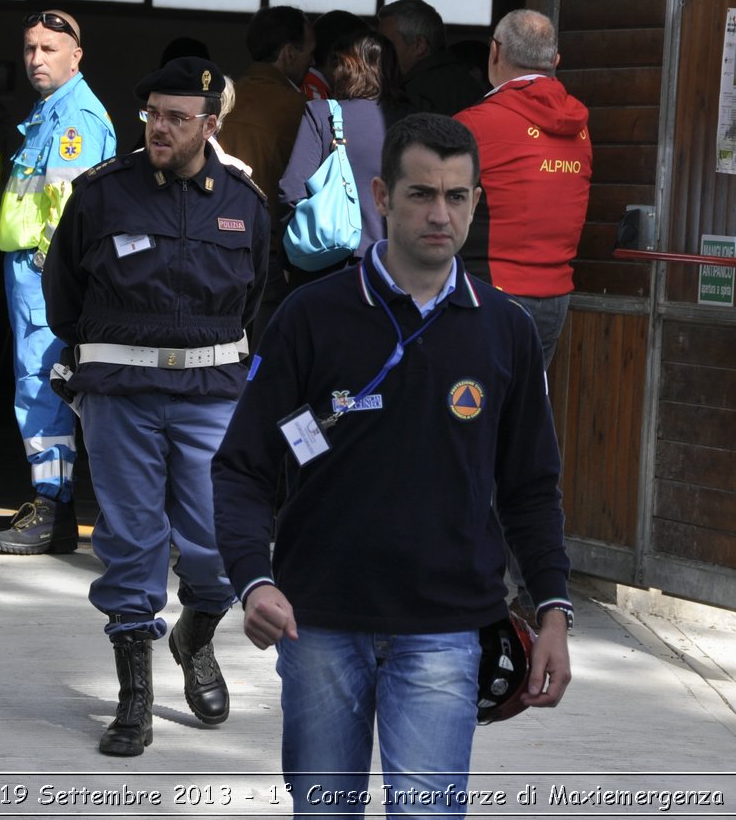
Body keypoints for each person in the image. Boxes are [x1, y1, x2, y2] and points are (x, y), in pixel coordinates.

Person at [212, 113, 574, 815]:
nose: (440, 213)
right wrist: (253, 580)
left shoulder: (506, 333)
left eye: (457, 196)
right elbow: (243, 466)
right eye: (420, 194)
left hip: (444, 628)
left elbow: (531, 487)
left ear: (477, 201)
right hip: (317, 622)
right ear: (380, 194)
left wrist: (553, 608)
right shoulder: (310, 317)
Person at [42, 56, 269, 757]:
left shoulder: (243, 202)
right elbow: (63, 295)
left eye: (176, 117)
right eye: (152, 115)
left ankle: (194, 635)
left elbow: (258, 303)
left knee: (219, 550)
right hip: (121, 399)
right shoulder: (102, 194)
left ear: (211, 124)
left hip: (210, 398)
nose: (160, 128)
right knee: (131, 543)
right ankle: (133, 698)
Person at [0, 10, 117, 556]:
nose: (35, 59)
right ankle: (47, 498)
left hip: (45, 277)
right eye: (29, 49)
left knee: (43, 387)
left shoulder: (76, 120)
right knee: (34, 384)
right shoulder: (49, 112)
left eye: (48, 49)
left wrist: (49, 273)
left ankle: (53, 506)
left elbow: (71, 213)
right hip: (30, 273)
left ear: (76, 56)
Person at [456, 8, 592, 368]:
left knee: (471, 411)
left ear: (494, 51)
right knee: (523, 413)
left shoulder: (474, 124)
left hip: (490, 290)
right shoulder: (579, 125)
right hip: (556, 295)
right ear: (555, 61)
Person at [218, 6, 315, 337]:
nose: (312, 63)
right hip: (268, 256)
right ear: (289, 53)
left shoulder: (221, 99)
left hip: (212, 246)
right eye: (309, 52)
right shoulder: (300, 110)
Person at [277, 29, 399, 276]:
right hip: (396, 264)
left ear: (346, 68)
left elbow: (291, 188)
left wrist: (292, 254)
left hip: (333, 264)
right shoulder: (412, 121)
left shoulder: (324, 114)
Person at [376, 0, 488, 117]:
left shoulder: (414, 97)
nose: (379, 52)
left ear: (419, 45)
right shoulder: (469, 84)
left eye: (387, 44)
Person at [300, 9, 368, 101]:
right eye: (361, 62)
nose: (365, 73)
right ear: (336, 59)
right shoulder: (317, 100)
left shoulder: (302, 88)